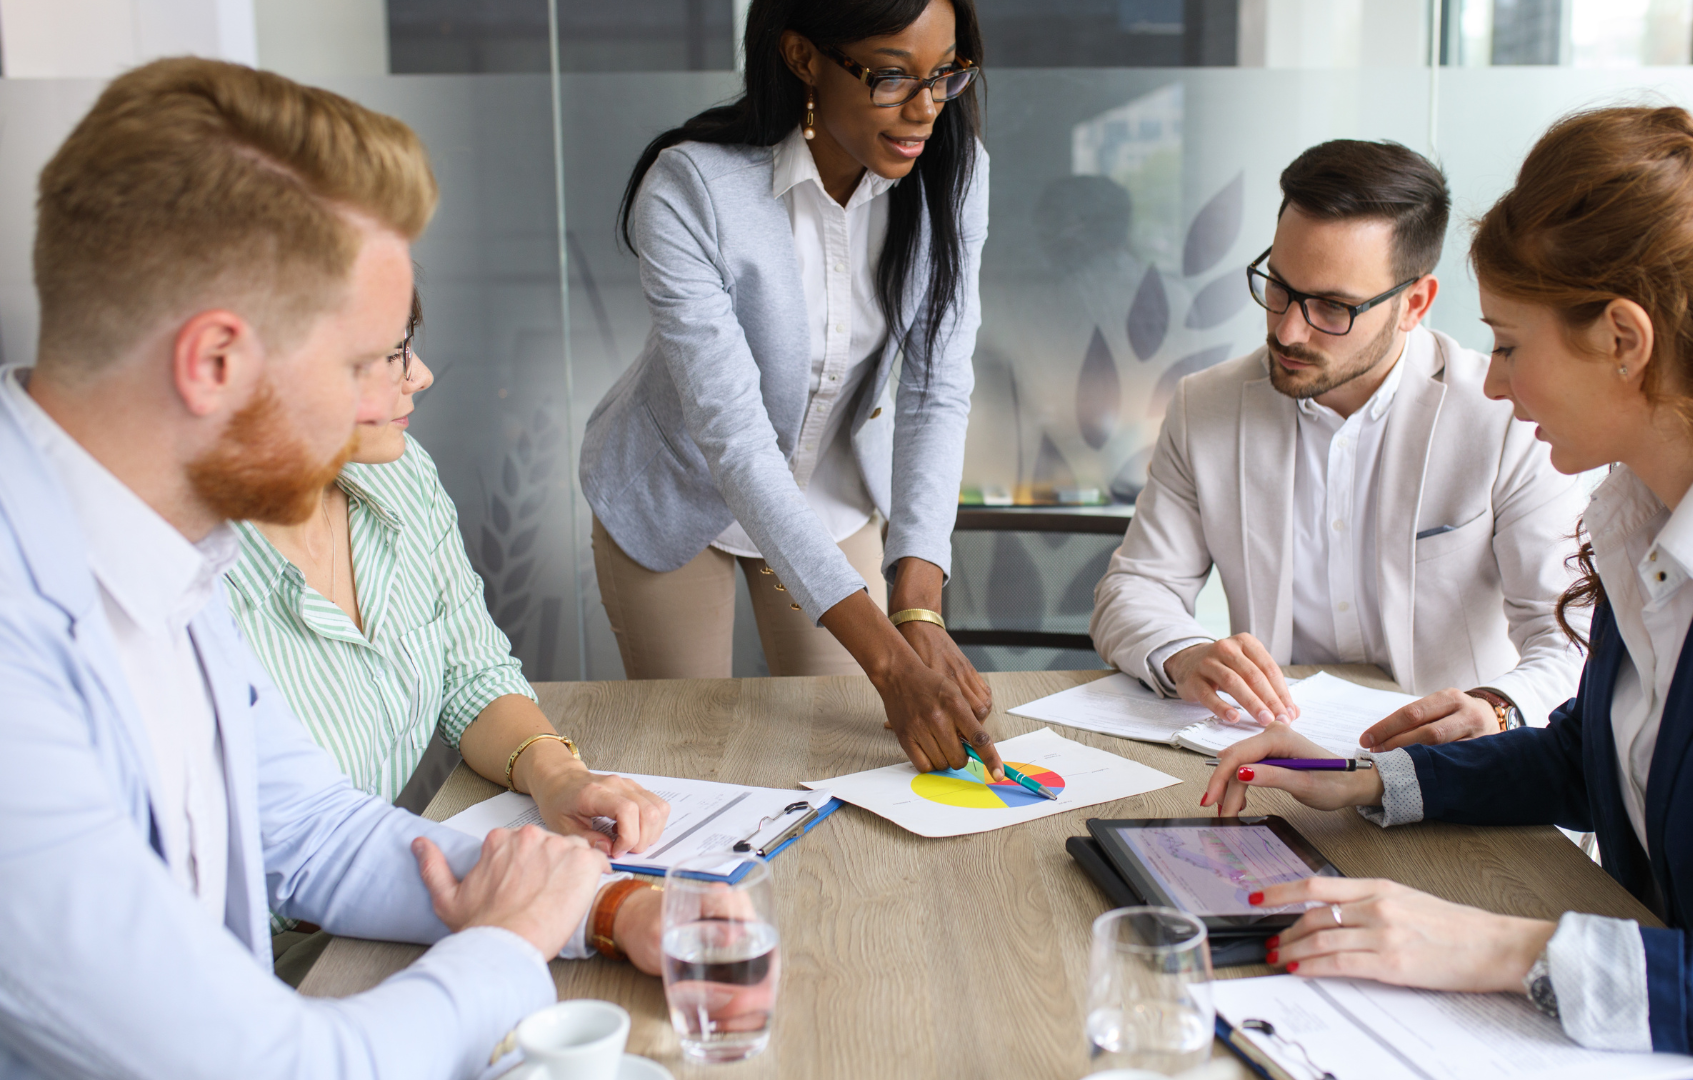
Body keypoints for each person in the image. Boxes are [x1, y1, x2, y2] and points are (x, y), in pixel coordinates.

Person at [1204, 106, 1693, 1080]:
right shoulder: (1646, 514)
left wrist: (1499, 951)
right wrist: (1366, 777)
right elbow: (1598, 757)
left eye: (1507, 344)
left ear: (1623, 339)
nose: (1493, 386)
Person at [0, 58, 675, 1079]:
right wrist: (508, 945)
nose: (402, 388)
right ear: (215, 364)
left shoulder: (154, 539)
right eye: (365, 362)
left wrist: (610, 906)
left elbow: (310, 828)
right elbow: (284, 1068)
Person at [582, 0, 1003, 777]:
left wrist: (916, 605)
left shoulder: (954, 171)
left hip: (832, 499)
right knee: (692, 764)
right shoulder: (690, 189)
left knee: (862, 762)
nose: (925, 109)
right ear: (805, 57)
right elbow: (735, 442)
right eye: (891, 76)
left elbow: (936, 391)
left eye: (944, 74)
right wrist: (890, 661)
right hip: (679, 498)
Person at [226, 291, 669, 984]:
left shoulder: (398, 474)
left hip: (381, 892)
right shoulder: (189, 581)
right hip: (273, 963)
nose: (422, 374)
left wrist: (560, 779)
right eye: (394, 352)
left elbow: (473, 671)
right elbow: (302, 849)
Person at [1091, 140, 1587, 751]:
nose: (1287, 329)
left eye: (1333, 307)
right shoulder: (1206, 406)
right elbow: (1134, 589)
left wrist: (1499, 709)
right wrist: (1187, 653)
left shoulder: (1504, 413)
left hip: (1453, 769)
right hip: (1275, 756)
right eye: (1279, 286)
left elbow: (1570, 632)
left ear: (1414, 304)